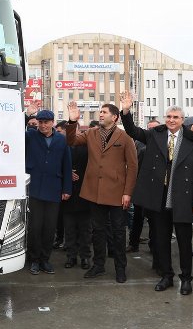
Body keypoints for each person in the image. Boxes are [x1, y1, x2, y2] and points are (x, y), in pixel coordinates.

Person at [120, 91, 193, 295]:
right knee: (161, 239)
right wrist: (126, 110)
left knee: (184, 242)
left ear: (182, 120)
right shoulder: (155, 134)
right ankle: (167, 275)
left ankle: (186, 278)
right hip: (158, 196)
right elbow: (132, 131)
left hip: (182, 197)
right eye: (168, 116)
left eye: (175, 117)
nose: (171, 120)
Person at [65, 101, 138, 283]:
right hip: (94, 192)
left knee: (119, 232)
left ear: (115, 117)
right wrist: (72, 122)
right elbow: (71, 141)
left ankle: (120, 268)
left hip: (117, 193)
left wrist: (127, 192)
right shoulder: (91, 133)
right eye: (100, 112)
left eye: (104, 112)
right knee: (97, 231)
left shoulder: (124, 138)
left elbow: (133, 167)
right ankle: (98, 266)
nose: (101, 114)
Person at [24, 108, 72, 275]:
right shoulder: (30, 136)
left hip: (54, 189)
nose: (43, 125)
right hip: (35, 187)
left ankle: (45, 259)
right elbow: (14, 132)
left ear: (52, 122)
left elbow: (67, 164)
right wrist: (27, 115)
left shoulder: (61, 139)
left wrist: (67, 188)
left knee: (50, 228)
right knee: (35, 227)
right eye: (40, 122)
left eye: (46, 122)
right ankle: (34, 259)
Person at [55, 121, 92, 270]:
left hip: (85, 192)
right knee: (69, 228)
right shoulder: (62, 145)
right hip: (67, 192)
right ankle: (71, 256)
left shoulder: (89, 145)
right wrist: (67, 172)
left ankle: (85, 257)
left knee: (85, 230)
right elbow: (55, 164)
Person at [127, 119, 160, 254]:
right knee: (138, 217)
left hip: (156, 186)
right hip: (141, 184)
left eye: (155, 128)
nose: (152, 130)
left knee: (154, 219)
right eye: (149, 128)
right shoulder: (138, 143)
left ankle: (154, 245)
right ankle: (133, 243)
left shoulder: (163, 143)